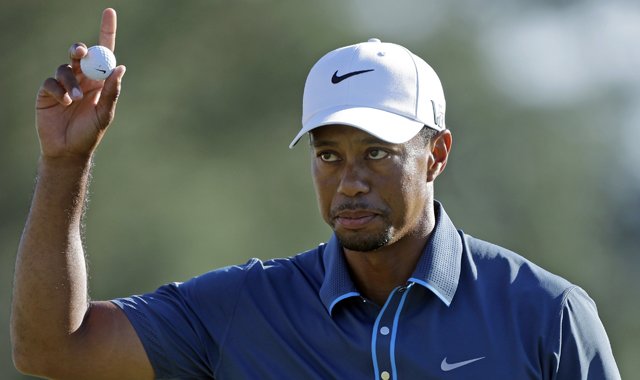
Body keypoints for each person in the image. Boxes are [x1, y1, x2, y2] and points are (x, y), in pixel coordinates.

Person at [10, 8, 620, 380]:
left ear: (436, 155)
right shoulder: (243, 309)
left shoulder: (548, 315)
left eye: (377, 153)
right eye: (329, 155)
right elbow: (51, 350)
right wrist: (66, 163)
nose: (350, 180)